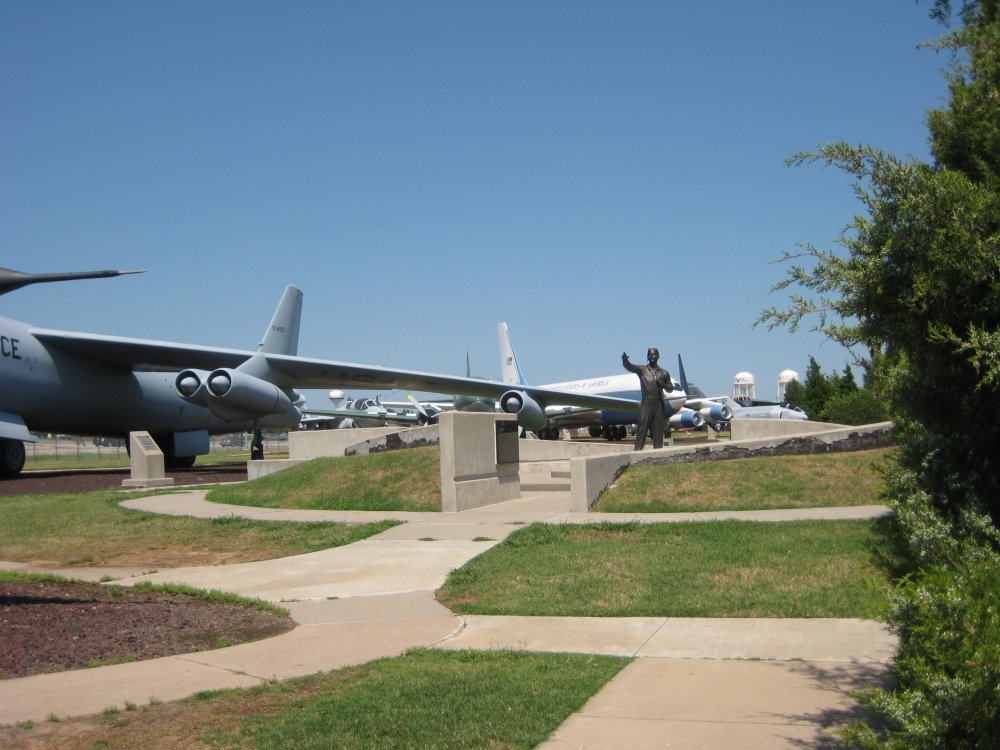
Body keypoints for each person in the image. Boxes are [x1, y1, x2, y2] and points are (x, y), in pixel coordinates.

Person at [622, 348, 675, 451]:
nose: (652, 357)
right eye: (650, 355)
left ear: (658, 356)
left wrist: (663, 384)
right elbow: (630, 367)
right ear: (647, 357)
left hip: (658, 402)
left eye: (654, 355)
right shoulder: (643, 370)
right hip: (647, 401)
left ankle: (658, 451)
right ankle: (637, 451)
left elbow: (670, 389)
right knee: (642, 426)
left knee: (658, 428)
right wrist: (625, 360)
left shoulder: (664, 373)